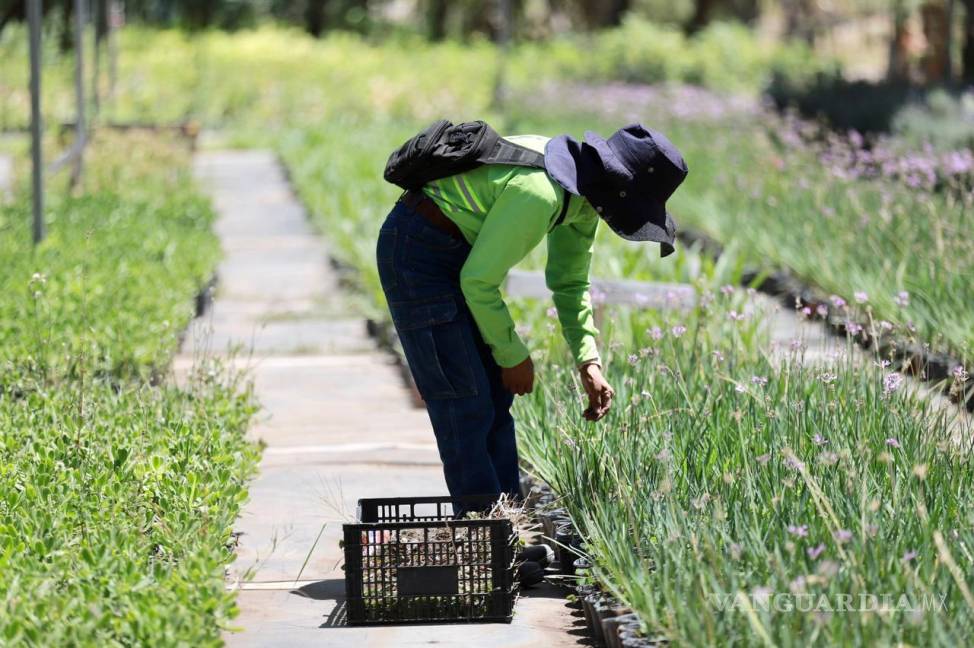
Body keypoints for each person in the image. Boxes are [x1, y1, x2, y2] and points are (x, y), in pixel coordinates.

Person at [375, 123, 688, 509]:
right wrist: (513, 356)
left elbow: (570, 282)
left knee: (494, 396)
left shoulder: (581, 190)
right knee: (465, 400)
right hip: (417, 256)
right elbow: (478, 282)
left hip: (456, 253)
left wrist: (588, 360)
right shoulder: (538, 193)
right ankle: (481, 525)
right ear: (618, 191)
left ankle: (508, 523)